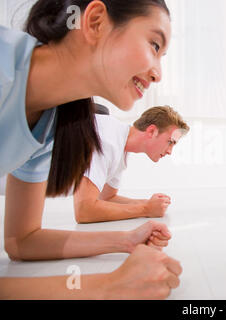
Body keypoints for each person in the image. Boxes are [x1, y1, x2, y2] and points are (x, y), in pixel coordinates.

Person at [0, 0, 182, 299]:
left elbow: (22, 240)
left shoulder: (54, 123)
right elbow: (85, 209)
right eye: (154, 44)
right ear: (96, 21)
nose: (158, 73)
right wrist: (106, 286)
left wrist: (126, 241)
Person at [73, 106, 189, 223]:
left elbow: (107, 198)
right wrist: (146, 209)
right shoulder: (108, 140)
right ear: (152, 131)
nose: (170, 151)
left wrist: (147, 204)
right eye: (170, 142)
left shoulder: (121, 146)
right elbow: (84, 211)